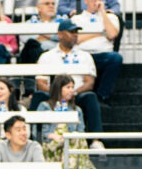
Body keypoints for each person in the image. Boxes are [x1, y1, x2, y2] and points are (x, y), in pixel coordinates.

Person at [32, 19, 104, 150]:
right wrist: (57, 93)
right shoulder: (47, 56)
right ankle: (32, 139)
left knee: (90, 97)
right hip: (53, 96)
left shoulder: (85, 56)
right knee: (38, 96)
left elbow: (89, 83)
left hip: (76, 94)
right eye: (71, 32)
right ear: (60, 34)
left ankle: (95, 140)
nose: (75, 35)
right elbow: (41, 83)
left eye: (76, 32)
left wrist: (72, 92)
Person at [37, 74, 97, 169]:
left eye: (72, 87)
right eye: (68, 87)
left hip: (69, 148)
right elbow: (43, 133)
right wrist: (56, 136)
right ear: (59, 88)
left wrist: (67, 137)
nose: (72, 90)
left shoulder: (77, 110)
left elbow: (81, 131)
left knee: (74, 139)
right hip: (52, 146)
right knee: (71, 140)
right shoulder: (45, 106)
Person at [73, 0, 123, 104]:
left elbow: (112, 34)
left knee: (116, 58)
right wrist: (99, 33)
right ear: (85, 0)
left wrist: (103, 13)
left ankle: (102, 96)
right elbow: (76, 40)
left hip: (103, 54)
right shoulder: (77, 19)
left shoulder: (111, 17)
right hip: (82, 55)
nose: (96, 1)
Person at [19, 0, 60, 64]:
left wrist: (40, 33)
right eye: (47, 3)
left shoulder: (62, 22)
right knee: (32, 45)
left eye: (53, 3)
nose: (51, 6)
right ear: (39, 8)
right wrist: (52, 36)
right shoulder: (30, 22)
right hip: (36, 55)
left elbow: (64, 37)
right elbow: (25, 38)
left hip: (56, 55)